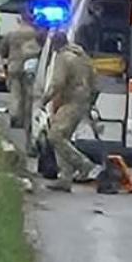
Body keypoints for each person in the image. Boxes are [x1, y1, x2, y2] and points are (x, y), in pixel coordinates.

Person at [43, 31, 101, 192]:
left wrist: (44, 101)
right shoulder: (83, 57)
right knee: (64, 138)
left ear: (55, 45)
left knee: (55, 135)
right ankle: (65, 179)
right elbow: (96, 84)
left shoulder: (63, 57)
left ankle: (84, 164)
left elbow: (57, 83)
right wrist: (90, 103)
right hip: (83, 102)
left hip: (70, 101)